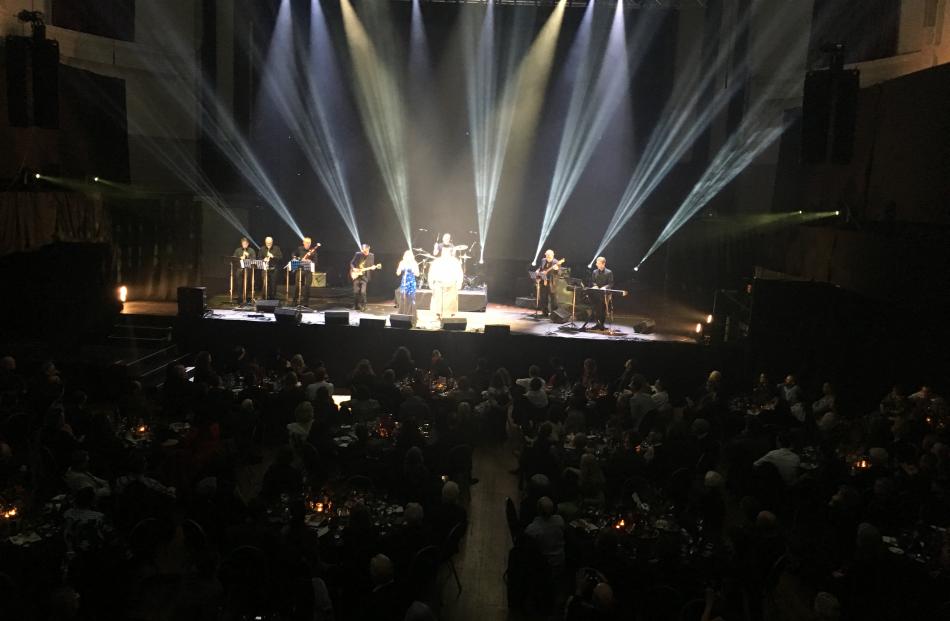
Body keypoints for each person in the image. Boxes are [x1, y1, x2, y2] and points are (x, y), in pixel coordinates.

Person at [524, 496, 566, 570]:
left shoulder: (532, 529)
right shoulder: (560, 520)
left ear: (538, 509)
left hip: (542, 564)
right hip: (560, 560)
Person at [428, 252, 463, 319]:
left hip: (451, 284)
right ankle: (438, 314)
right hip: (439, 284)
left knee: (451, 301)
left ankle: (450, 316)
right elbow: (431, 272)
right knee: (438, 302)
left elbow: (459, 273)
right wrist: (431, 282)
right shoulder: (437, 261)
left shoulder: (455, 261)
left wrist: (459, 283)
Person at [587, 256, 614, 331]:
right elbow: (592, 281)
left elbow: (611, 283)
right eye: (597, 263)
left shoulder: (609, 272)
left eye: (598, 263)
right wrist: (595, 285)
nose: (596, 264)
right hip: (596, 294)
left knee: (603, 310)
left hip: (605, 294)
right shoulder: (594, 272)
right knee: (596, 309)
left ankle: (601, 324)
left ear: (603, 264)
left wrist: (605, 287)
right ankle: (597, 324)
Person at [292, 236, 319, 307]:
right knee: (297, 286)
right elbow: (294, 254)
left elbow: (316, 262)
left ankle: (305, 302)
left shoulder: (313, 251)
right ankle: (294, 301)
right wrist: (295, 258)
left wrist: (310, 261)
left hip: (308, 270)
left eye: (309, 243)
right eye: (306, 243)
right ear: (303, 243)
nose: (308, 244)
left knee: (307, 286)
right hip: (300, 269)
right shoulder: (299, 249)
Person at [536, 249, 561, 317]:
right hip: (543, 281)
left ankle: (554, 314)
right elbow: (541, 268)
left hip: (551, 283)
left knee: (553, 299)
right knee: (543, 298)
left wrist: (556, 270)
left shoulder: (556, 262)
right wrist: (538, 271)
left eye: (549, 256)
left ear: (553, 255)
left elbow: (559, 273)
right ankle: (545, 313)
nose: (548, 257)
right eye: (547, 255)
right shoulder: (543, 260)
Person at [351, 243, 376, 311]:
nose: (365, 252)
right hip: (356, 275)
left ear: (368, 249)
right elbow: (352, 263)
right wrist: (353, 269)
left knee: (363, 292)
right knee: (356, 292)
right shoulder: (357, 254)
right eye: (363, 251)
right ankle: (356, 305)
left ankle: (364, 305)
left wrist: (373, 267)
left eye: (366, 251)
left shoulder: (371, 255)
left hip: (365, 276)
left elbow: (371, 265)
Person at [232, 237, 257, 304]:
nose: (244, 245)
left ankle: (245, 298)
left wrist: (248, 256)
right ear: (241, 244)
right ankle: (240, 298)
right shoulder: (238, 250)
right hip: (239, 269)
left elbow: (254, 260)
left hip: (248, 269)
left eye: (245, 244)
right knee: (239, 284)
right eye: (243, 244)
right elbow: (233, 259)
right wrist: (239, 258)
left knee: (247, 284)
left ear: (248, 244)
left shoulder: (251, 250)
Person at [396, 250, 418, 319]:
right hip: (405, 282)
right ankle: (403, 314)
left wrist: (414, 270)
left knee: (411, 298)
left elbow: (417, 274)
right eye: (407, 255)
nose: (408, 257)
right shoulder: (402, 263)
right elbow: (397, 273)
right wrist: (400, 269)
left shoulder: (414, 263)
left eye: (409, 256)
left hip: (411, 282)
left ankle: (411, 315)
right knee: (403, 298)